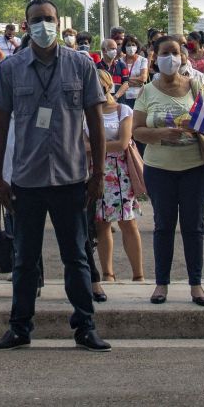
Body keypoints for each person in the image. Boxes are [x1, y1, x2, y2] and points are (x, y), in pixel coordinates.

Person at [0, 0, 109, 352]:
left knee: (77, 256)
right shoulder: (10, 69)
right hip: (26, 179)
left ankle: (85, 327)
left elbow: (96, 123)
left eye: (49, 19)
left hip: (72, 179)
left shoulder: (81, 65)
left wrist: (98, 172)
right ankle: (19, 328)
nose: (44, 25)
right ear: (26, 26)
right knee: (24, 260)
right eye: (37, 20)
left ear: (59, 22)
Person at [131, 34, 204, 309]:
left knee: (193, 227)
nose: (171, 57)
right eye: (164, 53)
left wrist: (200, 125)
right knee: (163, 226)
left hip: (196, 168)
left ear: (183, 57)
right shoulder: (147, 91)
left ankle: (196, 284)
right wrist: (160, 133)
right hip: (160, 170)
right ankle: (162, 284)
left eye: (176, 52)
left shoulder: (196, 85)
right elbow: (136, 131)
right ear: (155, 58)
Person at [91, 68, 143, 288]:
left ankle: (138, 274)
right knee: (101, 224)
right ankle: (108, 273)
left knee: (127, 222)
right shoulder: (87, 112)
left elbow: (122, 143)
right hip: (94, 171)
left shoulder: (123, 110)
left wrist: (91, 147)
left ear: (107, 84)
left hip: (119, 172)